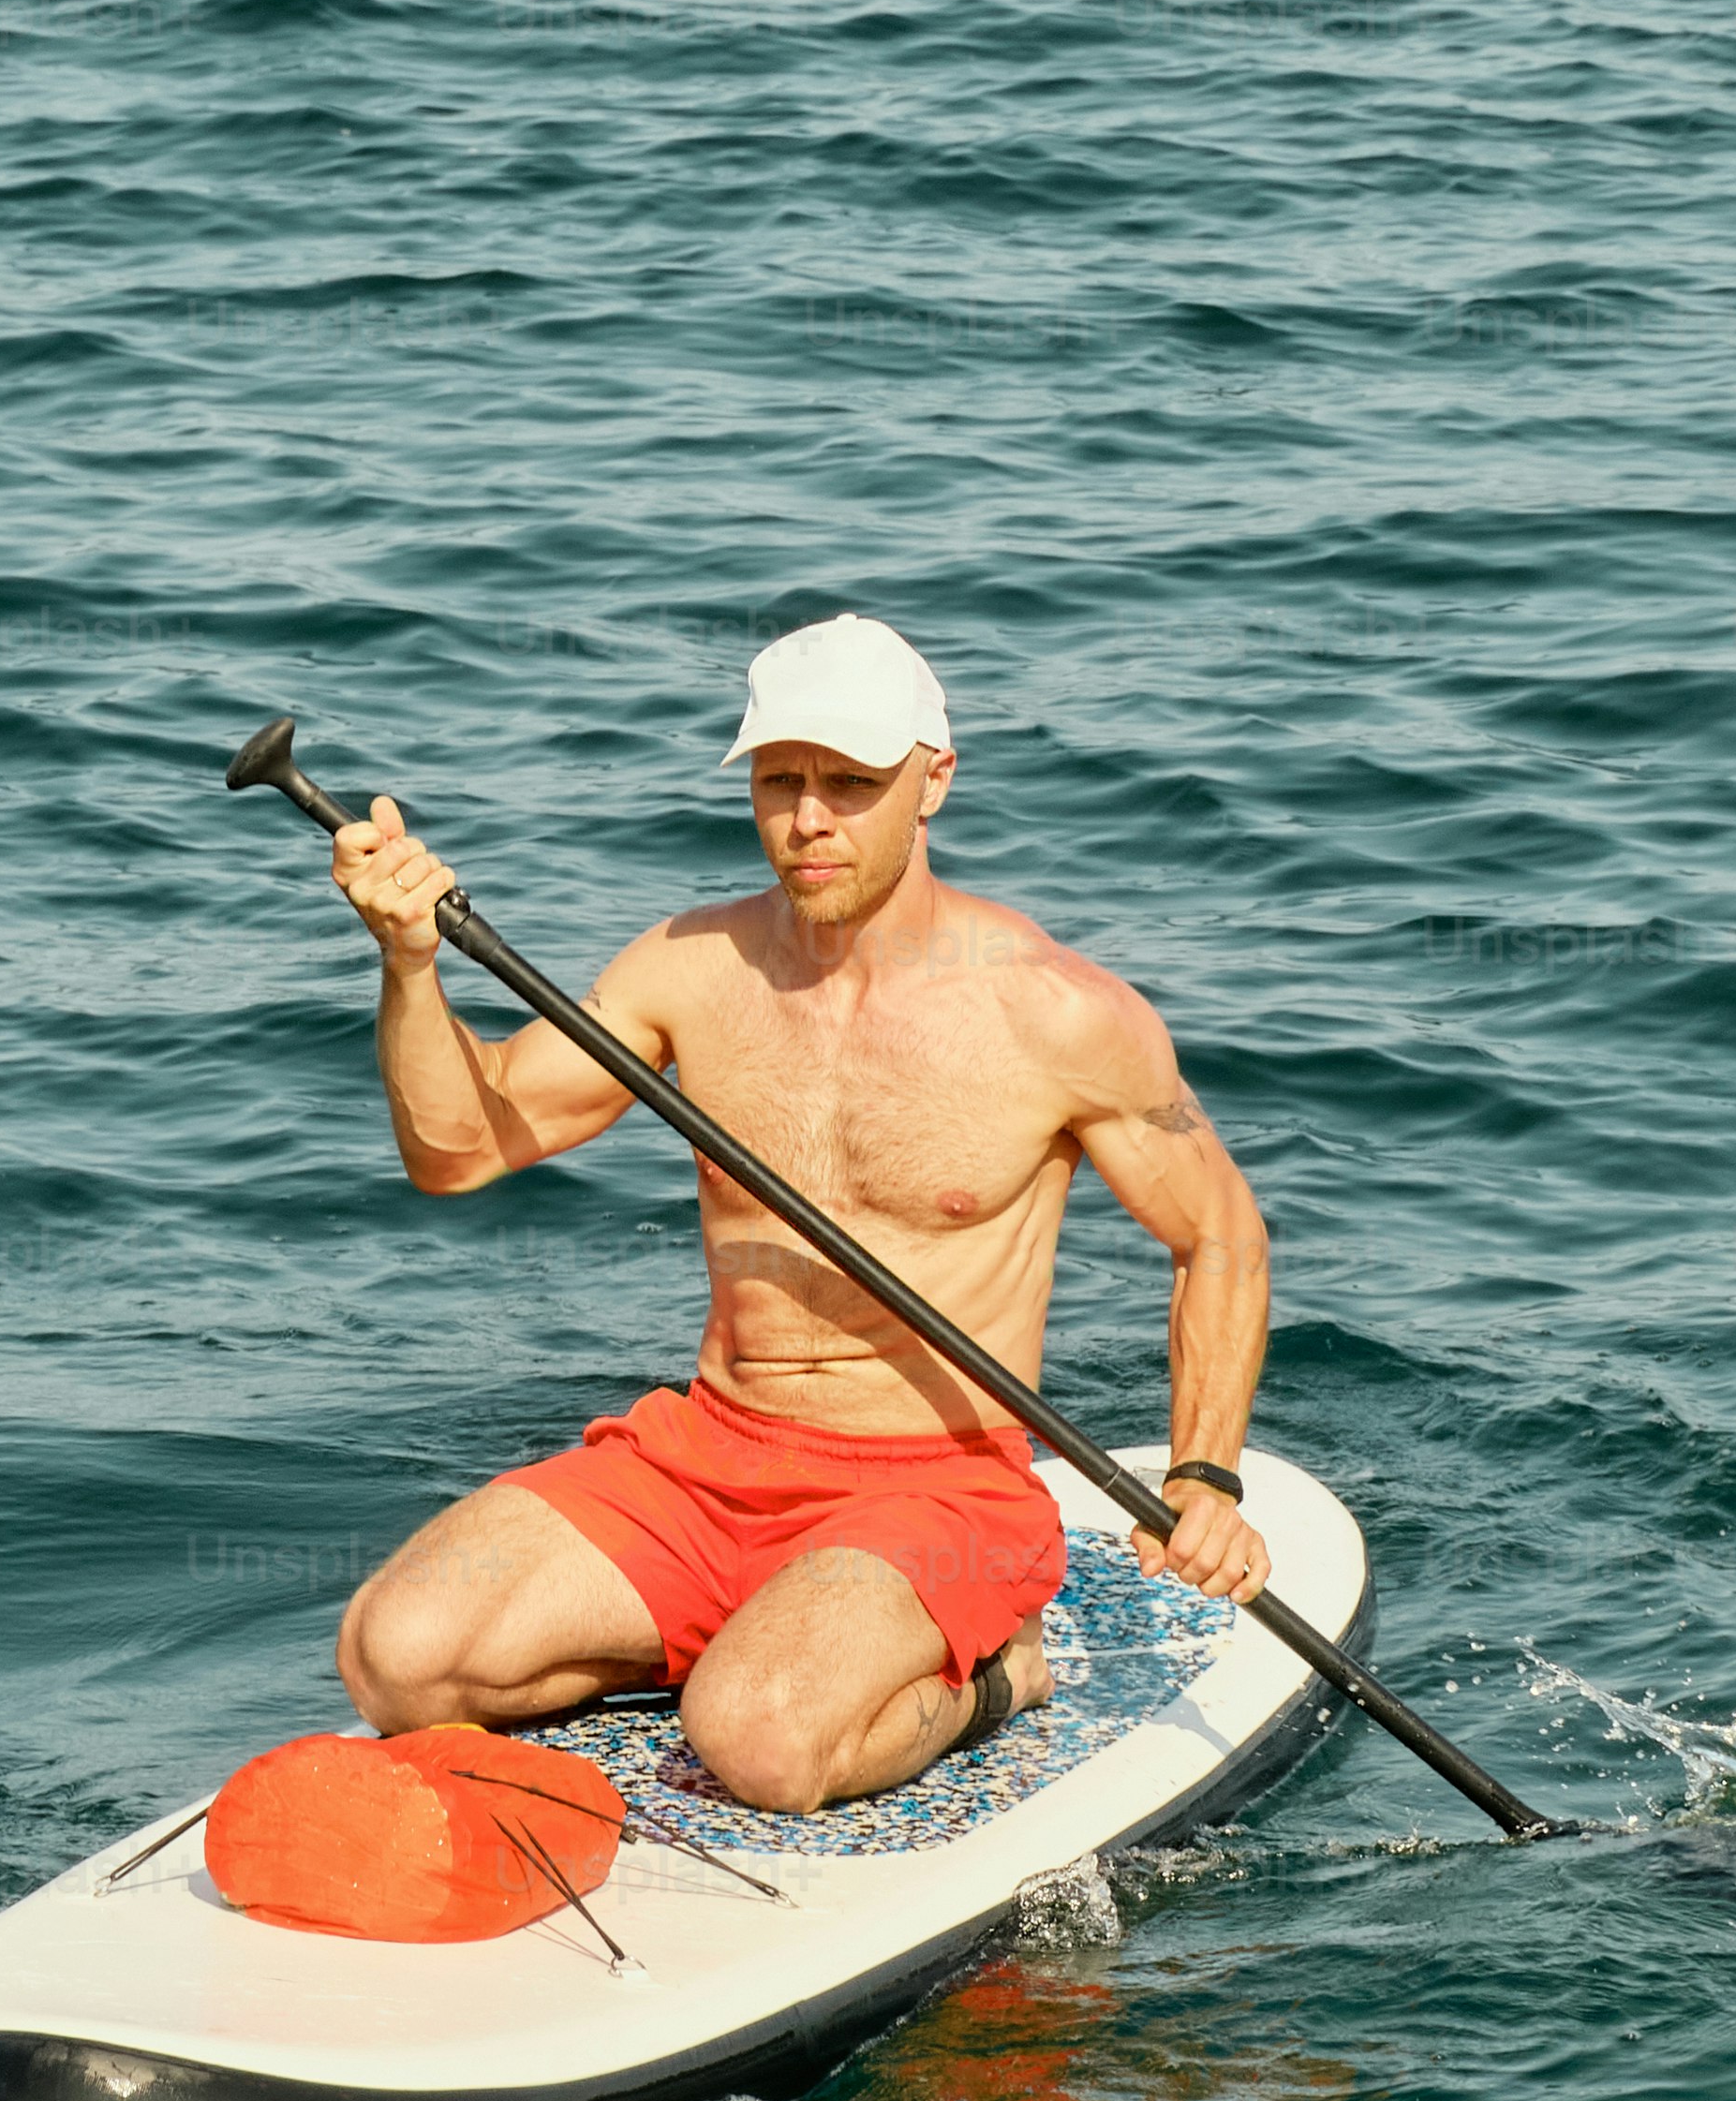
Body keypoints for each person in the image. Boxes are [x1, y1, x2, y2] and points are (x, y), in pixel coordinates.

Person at [322, 614, 1279, 1812]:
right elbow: (463, 1150)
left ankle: (994, 1674)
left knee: (760, 1743)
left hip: (942, 1489)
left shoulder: (1057, 1015)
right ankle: (743, 1645)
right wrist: (410, 965)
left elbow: (1221, 1236)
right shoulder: (690, 968)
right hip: (705, 1457)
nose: (810, 819)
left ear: (934, 779)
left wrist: (1205, 1475)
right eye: (781, 782)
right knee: (393, 1657)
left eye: (851, 784)